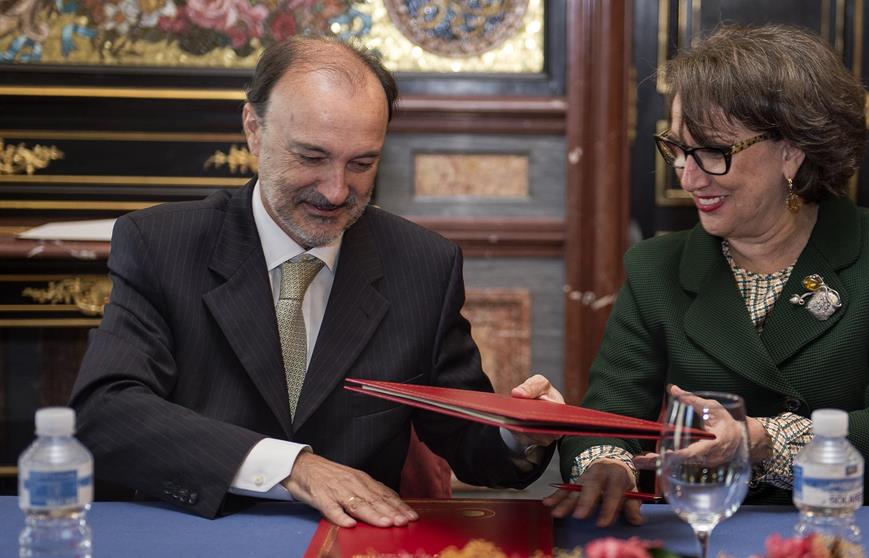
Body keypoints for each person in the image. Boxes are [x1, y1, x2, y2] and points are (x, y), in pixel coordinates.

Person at [69, 37, 562, 528]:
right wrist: (290, 467)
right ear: (254, 130)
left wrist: (521, 433)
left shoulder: (422, 265)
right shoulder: (162, 245)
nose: (336, 190)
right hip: (199, 533)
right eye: (311, 157)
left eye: (362, 164)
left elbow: (470, 442)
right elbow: (104, 412)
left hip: (350, 541)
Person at [548, 23, 869, 527]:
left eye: (713, 152)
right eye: (677, 149)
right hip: (716, 526)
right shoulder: (656, 268)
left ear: (793, 150)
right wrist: (608, 464)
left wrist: (764, 439)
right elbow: (608, 415)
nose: (688, 177)